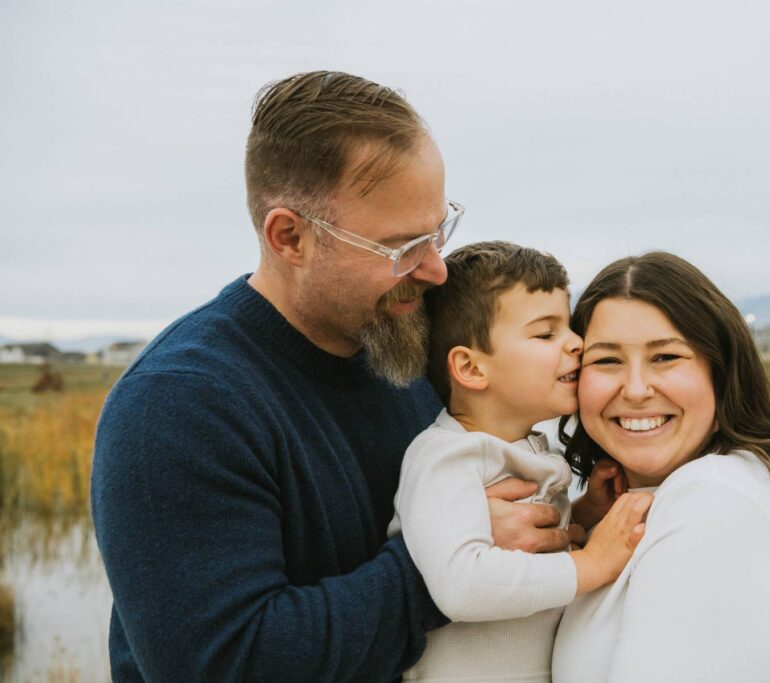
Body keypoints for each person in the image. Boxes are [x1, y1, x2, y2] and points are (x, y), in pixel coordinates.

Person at [91, 71, 577, 682]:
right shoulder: (177, 407)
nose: (435, 270)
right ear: (290, 237)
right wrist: (450, 558)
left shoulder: (404, 339)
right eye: (402, 247)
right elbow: (225, 662)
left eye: (438, 231)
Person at [552, 252, 770, 682]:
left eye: (665, 357)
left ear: (721, 373)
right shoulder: (642, 505)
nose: (636, 389)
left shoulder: (715, 502)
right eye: (607, 360)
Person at [388, 241, 651, 681]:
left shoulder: (525, 449)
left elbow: (527, 549)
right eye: (546, 334)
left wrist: (583, 515)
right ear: (472, 369)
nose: (577, 343)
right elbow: (461, 585)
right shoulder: (444, 457)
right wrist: (590, 564)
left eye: (569, 327)